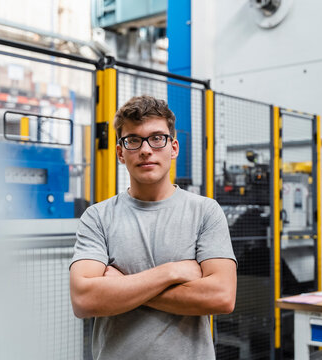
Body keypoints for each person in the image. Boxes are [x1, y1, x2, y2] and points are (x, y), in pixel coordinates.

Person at [69, 95, 237, 360]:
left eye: (157, 138)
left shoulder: (205, 211)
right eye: (133, 140)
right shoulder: (97, 217)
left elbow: (222, 297)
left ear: (174, 147)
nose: (146, 150)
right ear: (120, 153)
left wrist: (122, 287)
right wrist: (172, 272)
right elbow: (84, 300)